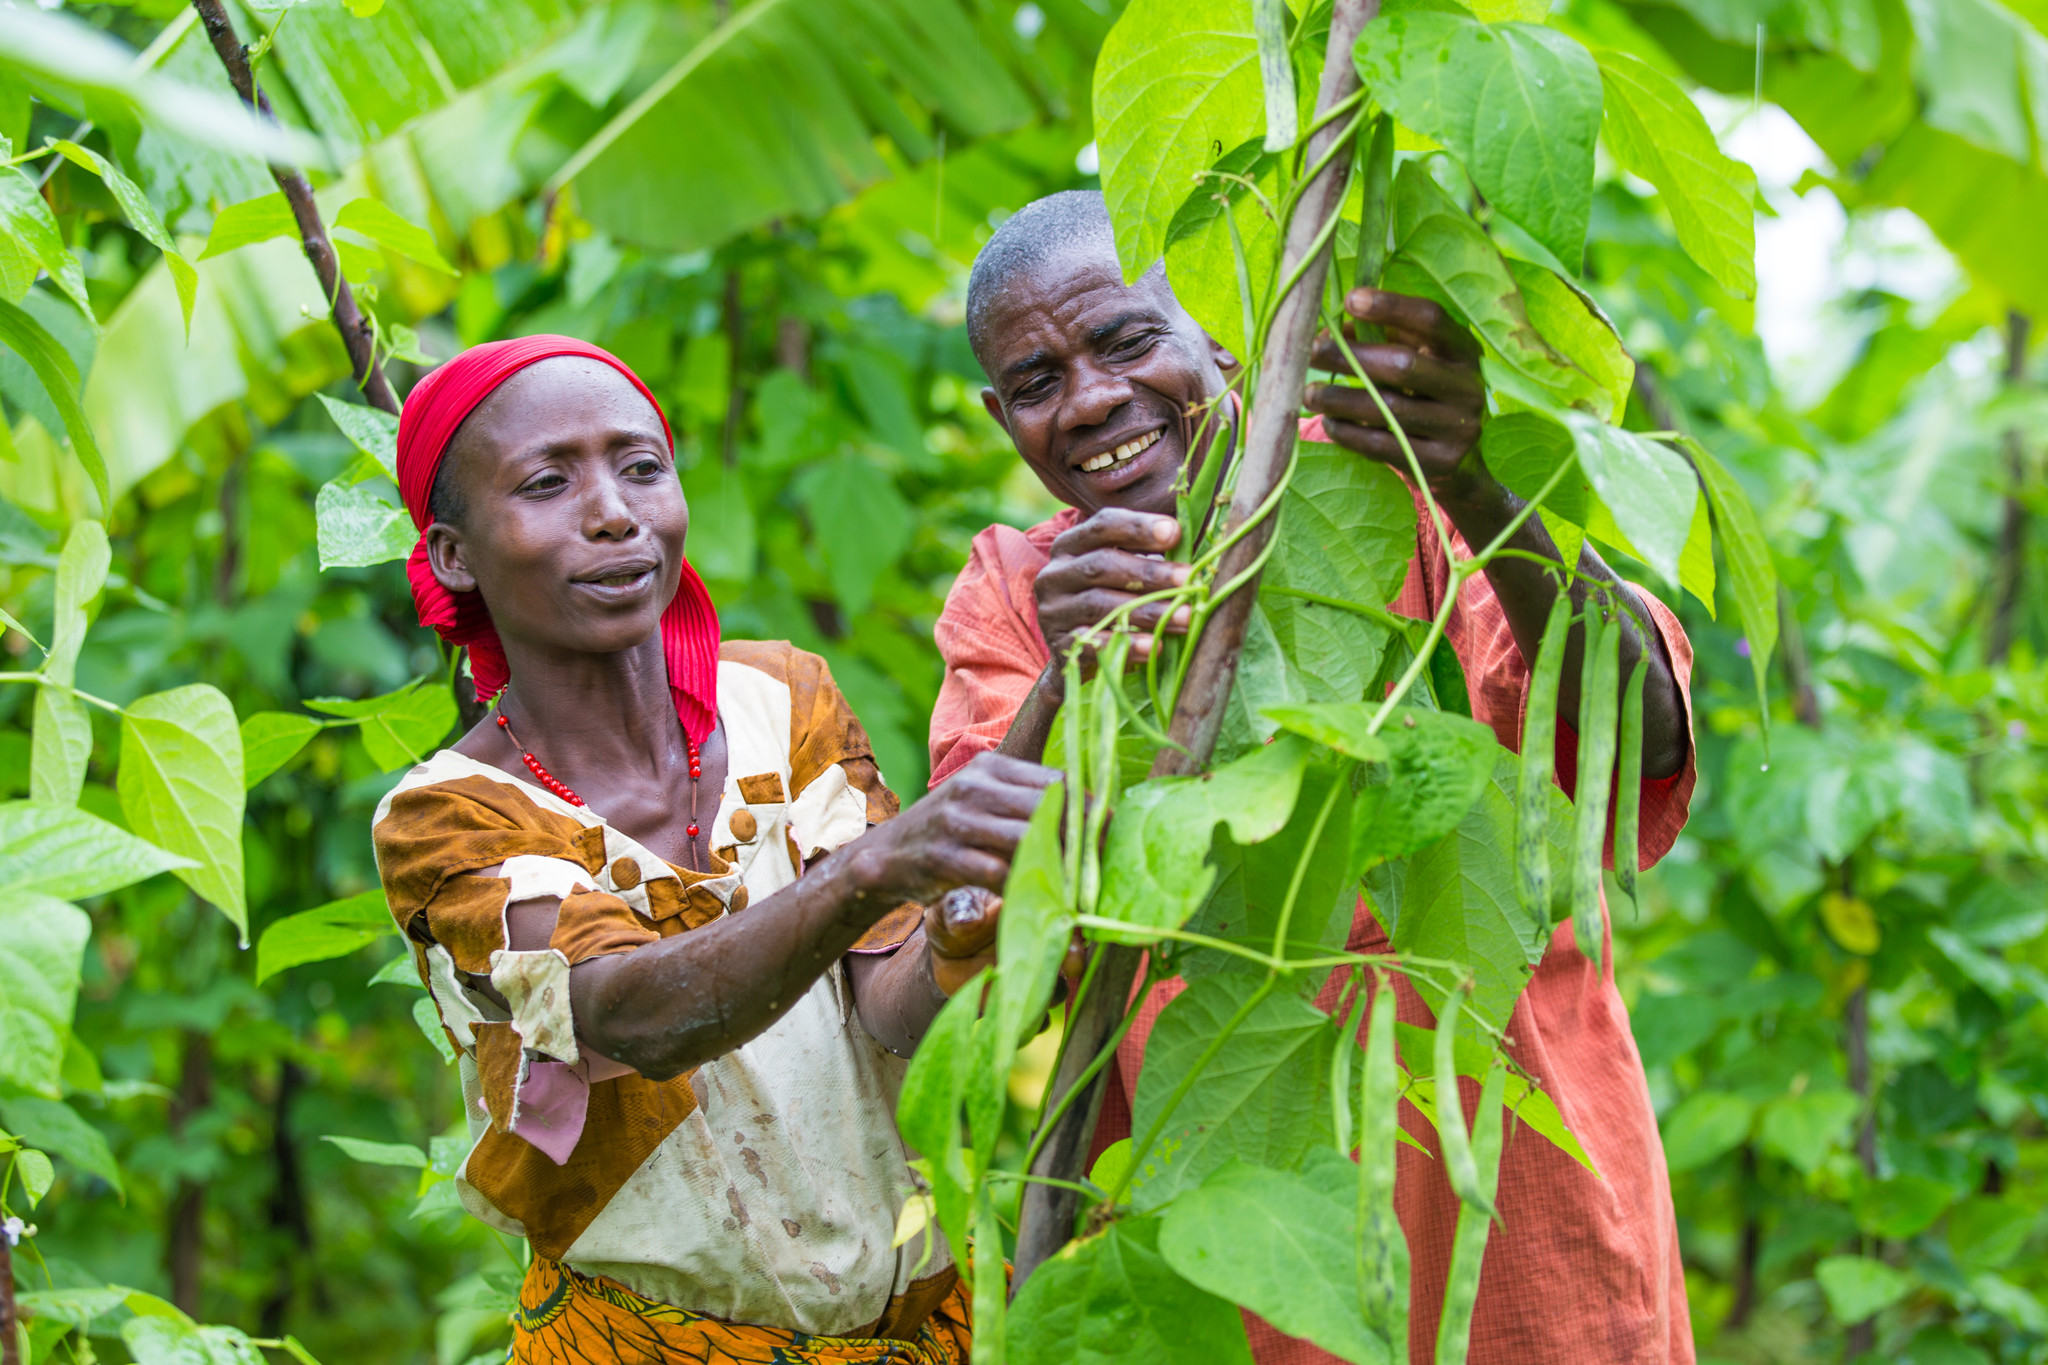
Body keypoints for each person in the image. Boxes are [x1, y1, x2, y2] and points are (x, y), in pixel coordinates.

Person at [932, 192, 1699, 1363]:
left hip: (1532, 1226)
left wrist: (1483, 488)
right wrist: (1067, 680)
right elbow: (988, 932)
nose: (1088, 402)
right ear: (1001, 420)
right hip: (1251, 1264)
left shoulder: (1403, 491)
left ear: (1224, 335)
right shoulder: (1018, 596)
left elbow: (1631, 738)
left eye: (1129, 340)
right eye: (1036, 383)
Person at [370, 335, 1054, 1365]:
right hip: (645, 1346)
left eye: (641, 467)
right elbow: (635, 1015)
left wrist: (967, 931)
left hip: (924, 1334)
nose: (614, 511)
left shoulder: (786, 700)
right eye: (549, 482)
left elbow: (887, 1009)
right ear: (454, 555)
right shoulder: (449, 817)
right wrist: (883, 864)